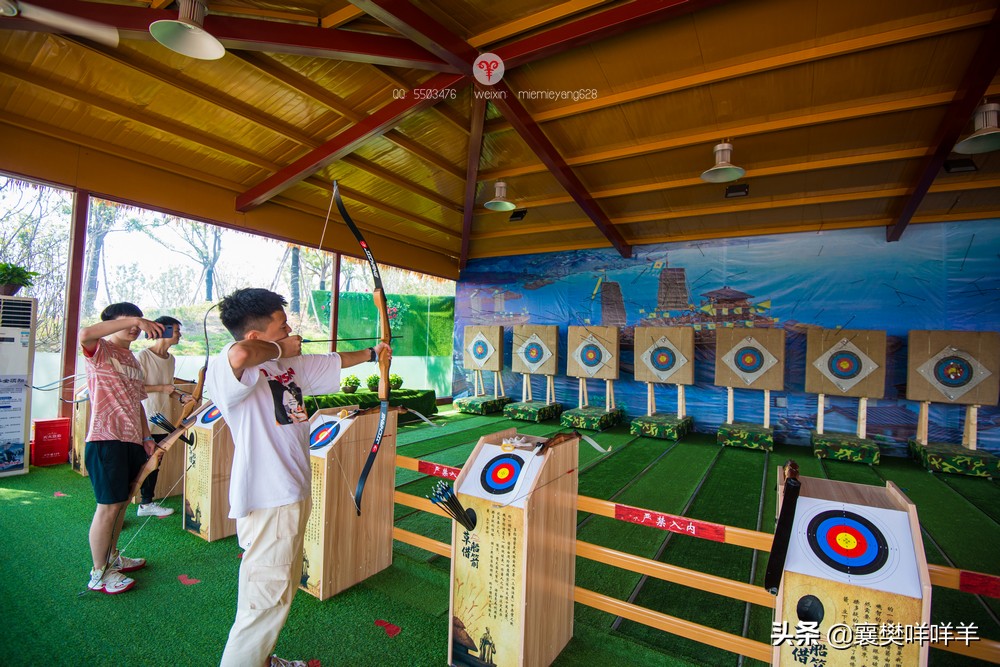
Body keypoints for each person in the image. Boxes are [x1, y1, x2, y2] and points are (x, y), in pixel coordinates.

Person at [207, 288, 390, 667]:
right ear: (257, 334)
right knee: (265, 599)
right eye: (282, 324)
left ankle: (262, 658)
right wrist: (280, 349)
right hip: (268, 496)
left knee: (276, 589)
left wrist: (375, 353)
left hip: (288, 492)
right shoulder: (231, 366)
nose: (291, 330)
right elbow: (241, 353)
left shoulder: (285, 365)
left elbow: (334, 360)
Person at [80, 302, 166, 595]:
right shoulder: (99, 348)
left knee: (119, 506)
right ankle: (98, 573)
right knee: (108, 507)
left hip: (131, 441)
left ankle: (113, 557)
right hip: (105, 439)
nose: (135, 327)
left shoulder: (132, 358)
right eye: (129, 321)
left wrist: (146, 438)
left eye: (137, 322)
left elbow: (137, 403)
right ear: (113, 322)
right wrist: (136, 319)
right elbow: (85, 333)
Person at [135, 315, 193, 517]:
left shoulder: (171, 359)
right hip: (146, 418)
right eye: (176, 331)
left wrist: (181, 396)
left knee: (156, 461)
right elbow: (135, 387)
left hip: (163, 418)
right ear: (165, 331)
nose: (179, 335)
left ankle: (146, 503)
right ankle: (142, 504)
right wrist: (163, 387)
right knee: (145, 462)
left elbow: (168, 388)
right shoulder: (143, 356)